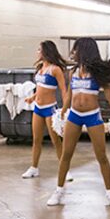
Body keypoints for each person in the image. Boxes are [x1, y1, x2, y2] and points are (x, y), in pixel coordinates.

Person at [47, 37, 110, 208]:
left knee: (101, 156)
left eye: (76, 49)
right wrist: (62, 111)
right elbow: (68, 94)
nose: (73, 53)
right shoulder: (72, 72)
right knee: (66, 155)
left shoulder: (98, 73)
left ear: (84, 51)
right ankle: (59, 191)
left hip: (93, 116)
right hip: (74, 115)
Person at [22, 41, 69, 179]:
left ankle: (64, 169)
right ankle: (34, 168)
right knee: (36, 139)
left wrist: (65, 109)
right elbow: (41, 87)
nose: (37, 52)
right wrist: (33, 97)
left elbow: (63, 89)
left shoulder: (55, 69)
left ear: (46, 51)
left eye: (39, 49)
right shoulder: (40, 67)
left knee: (56, 140)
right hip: (38, 108)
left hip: (50, 109)